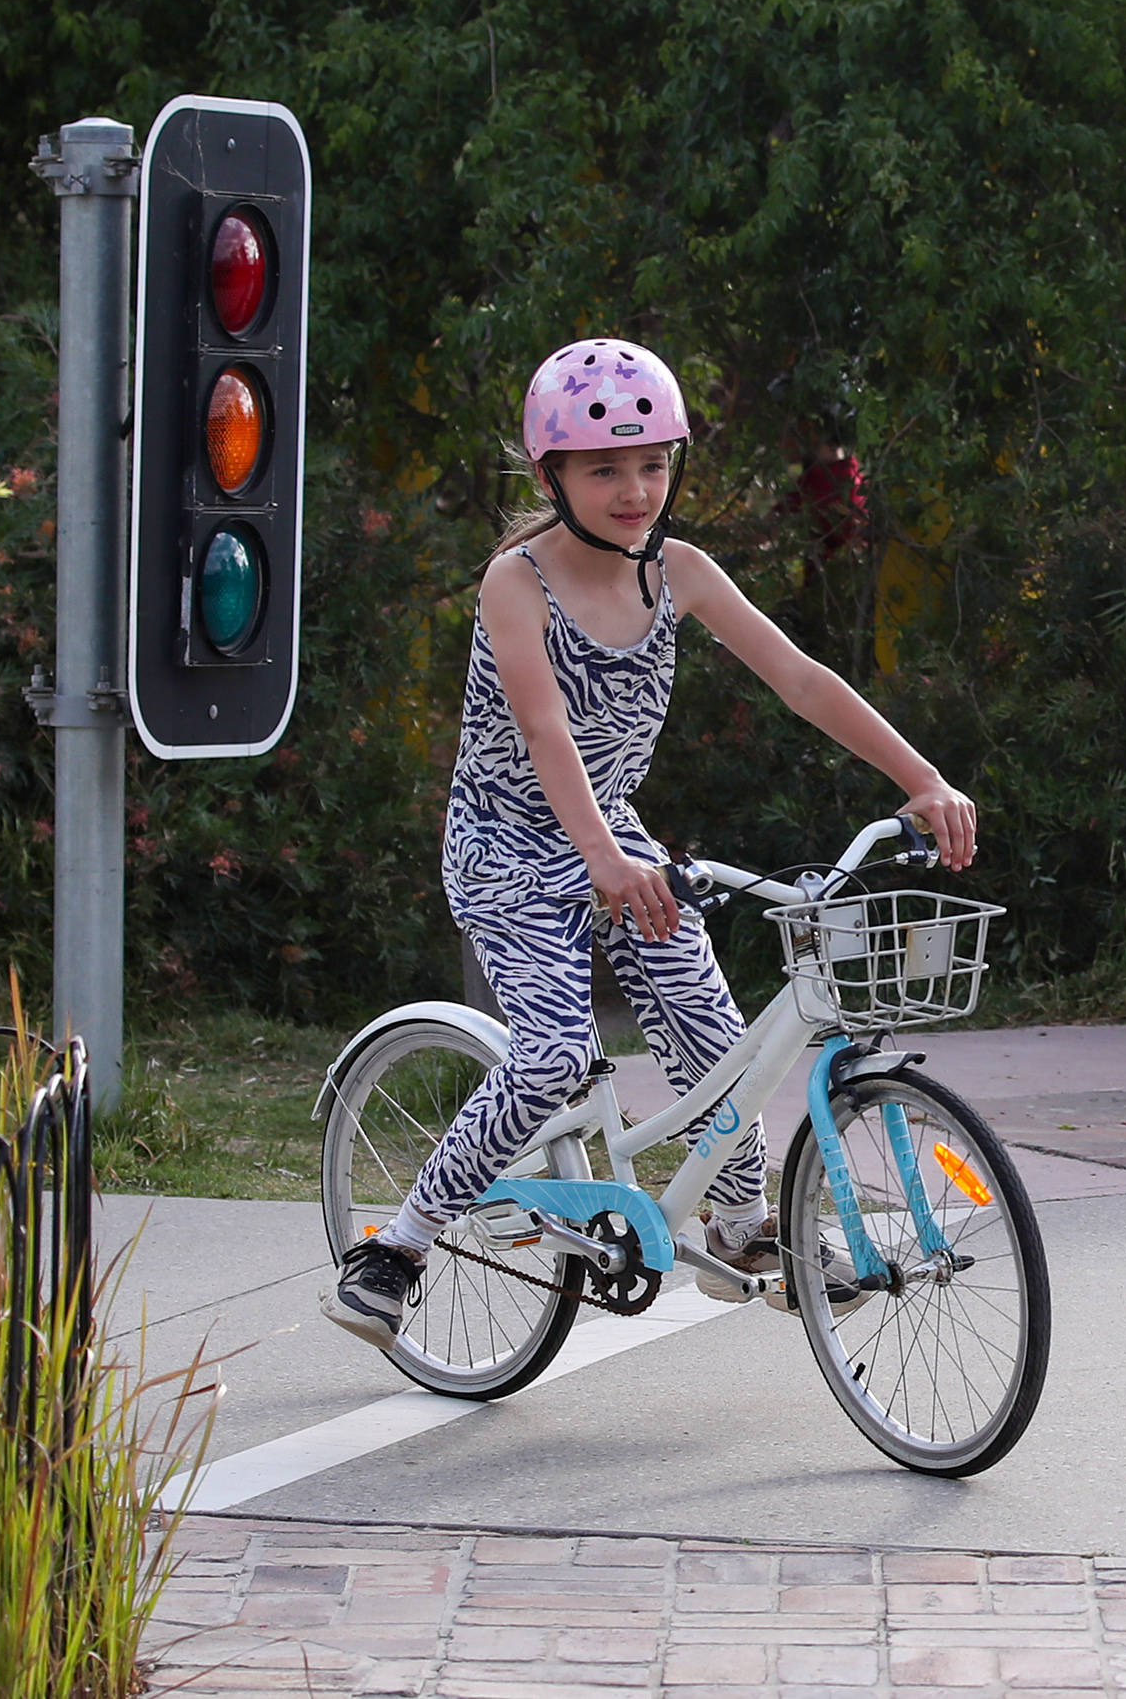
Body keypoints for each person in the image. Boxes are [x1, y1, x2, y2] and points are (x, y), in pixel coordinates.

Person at [322, 338, 979, 1349]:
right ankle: (399, 1246)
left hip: (616, 840)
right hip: (507, 846)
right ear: (554, 476)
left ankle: (743, 1224)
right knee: (547, 1058)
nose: (635, 489)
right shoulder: (517, 580)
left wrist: (920, 777)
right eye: (604, 469)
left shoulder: (681, 572)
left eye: (653, 464)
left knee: (719, 1038)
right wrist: (601, 859)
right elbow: (544, 732)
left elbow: (800, 678)